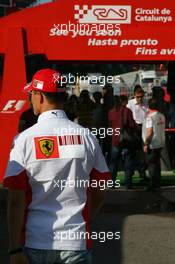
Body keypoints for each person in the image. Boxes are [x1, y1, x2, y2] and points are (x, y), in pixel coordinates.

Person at [3, 68, 111, 264]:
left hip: (36, 240)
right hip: (76, 241)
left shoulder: (24, 139)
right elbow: (100, 190)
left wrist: (14, 249)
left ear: (39, 96)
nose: (30, 99)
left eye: (31, 94)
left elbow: (15, 200)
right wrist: (86, 220)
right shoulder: (87, 136)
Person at [108, 95, 137, 189]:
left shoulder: (111, 112)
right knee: (128, 163)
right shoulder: (127, 111)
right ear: (124, 101)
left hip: (115, 141)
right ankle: (128, 184)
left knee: (113, 163)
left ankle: (112, 183)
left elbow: (110, 125)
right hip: (126, 141)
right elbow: (132, 125)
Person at [142, 98, 165, 190]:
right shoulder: (162, 116)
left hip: (152, 144)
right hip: (160, 142)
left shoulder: (149, 117)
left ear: (148, 106)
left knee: (151, 165)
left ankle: (153, 184)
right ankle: (157, 184)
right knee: (157, 164)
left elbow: (149, 132)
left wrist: (146, 143)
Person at [127, 85, 148, 178]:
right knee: (132, 151)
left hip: (144, 127)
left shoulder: (146, 103)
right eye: (138, 97)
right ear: (134, 95)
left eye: (141, 97)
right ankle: (130, 170)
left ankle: (142, 171)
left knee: (143, 151)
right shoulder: (130, 103)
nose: (140, 99)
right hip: (134, 128)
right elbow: (128, 117)